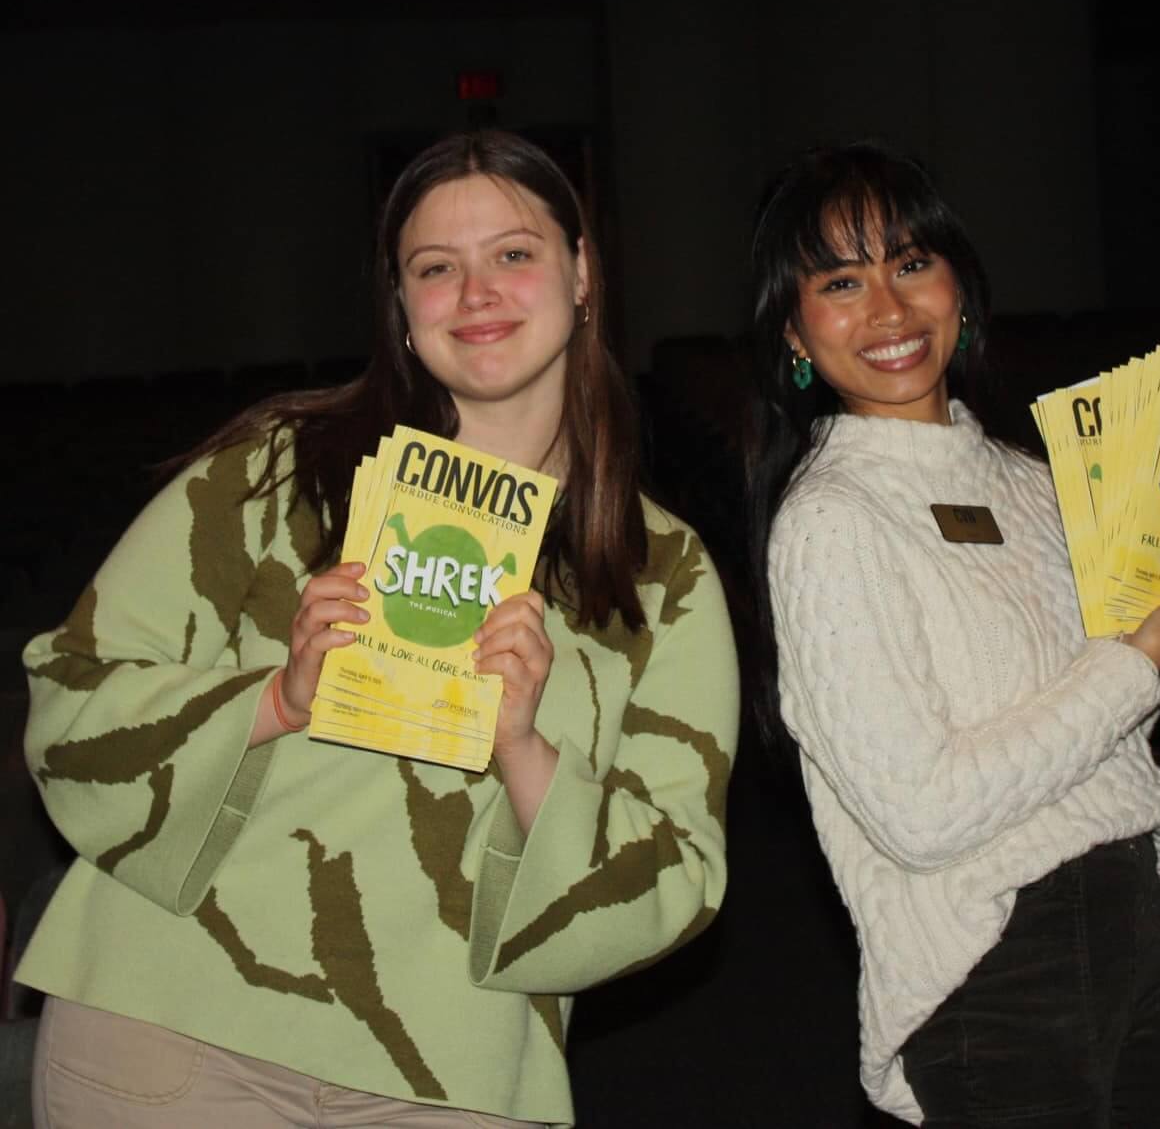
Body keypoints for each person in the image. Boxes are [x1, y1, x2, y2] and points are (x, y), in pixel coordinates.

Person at [21, 130, 738, 1128]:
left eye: (514, 254)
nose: (476, 292)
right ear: (402, 310)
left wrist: (526, 753)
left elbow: (677, 878)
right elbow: (70, 703)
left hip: (455, 1070)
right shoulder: (275, 478)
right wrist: (274, 699)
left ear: (583, 274)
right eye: (435, 268)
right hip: (170, 1034)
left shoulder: (661, 573)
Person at [745, 140, 1160, 1127]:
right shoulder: (831, 518)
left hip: (1141, 921)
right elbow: (921, 812)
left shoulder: (1037, 478)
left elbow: (1094, 717)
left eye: (912, 263)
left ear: (960, 286)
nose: (888, 308)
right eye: (842, 280)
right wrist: (1137, 664)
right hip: (994, 966)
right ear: (794, 333)